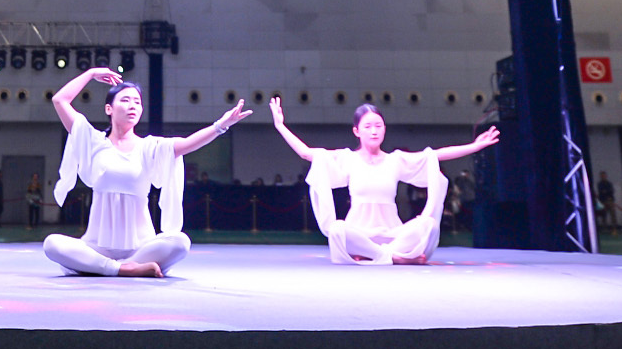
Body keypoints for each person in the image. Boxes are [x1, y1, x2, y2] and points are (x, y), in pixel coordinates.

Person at [43, 66, 248, 278]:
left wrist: (221, 125)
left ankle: (106, 267)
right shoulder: (93, 141)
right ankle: (122, 269)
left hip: (141, 249)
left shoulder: (150, 147)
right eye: (125, 100)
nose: (132, 105)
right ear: (109, 109)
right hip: (96, 246)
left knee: (180, 242)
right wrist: (91, 73)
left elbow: (188, 143)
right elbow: (60, 100)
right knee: (52, 244)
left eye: (137, 102)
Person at [270, 97, 496, 265]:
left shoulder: (395, 160)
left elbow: (435, 155)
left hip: (393, 235)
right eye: (368, 127)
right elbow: (307, 153)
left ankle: (376, 255)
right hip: (359, 234)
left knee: (428, 225)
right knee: (337, 230)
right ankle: (396, 259)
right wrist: (280, 126)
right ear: (356, 131)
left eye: (378, 126)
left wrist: (474, 146)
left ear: (384, 129)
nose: (374, 131)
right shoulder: (347, 159)